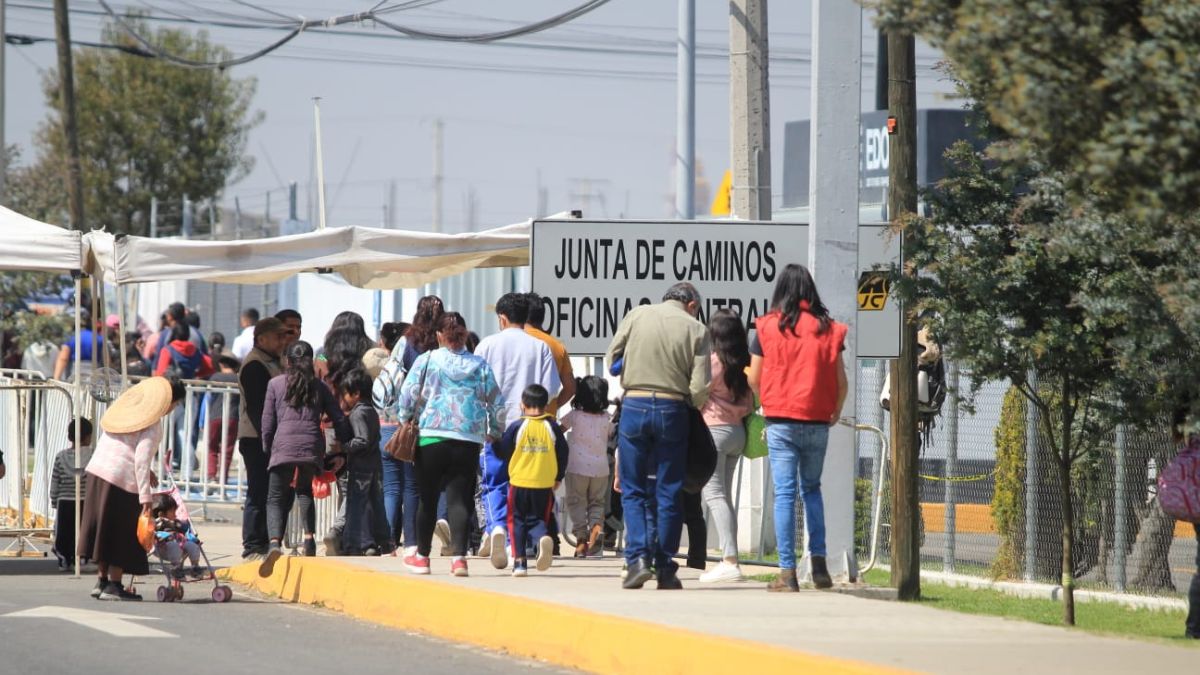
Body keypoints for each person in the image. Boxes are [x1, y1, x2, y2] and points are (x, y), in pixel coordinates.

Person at [747, 264, 848, 592]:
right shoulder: (828, 329)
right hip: (818, 420)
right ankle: (819, 564)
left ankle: (788, 572)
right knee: (812, 489)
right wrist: (834, 411)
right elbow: (841, 382)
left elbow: (753, 378)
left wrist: (765, 403)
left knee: (785, 494)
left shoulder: (767, 327)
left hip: (780, 421)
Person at [606, 282, 711, 590]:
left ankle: (637, 559)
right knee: (669, 490)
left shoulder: (637, 315)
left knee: (633, 488)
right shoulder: (697, 330)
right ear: (692, 305)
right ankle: (665, 566)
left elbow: (612, 357)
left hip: (635, 405)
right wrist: (687, 405)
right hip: (672, 409)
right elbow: (701, 386)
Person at [396, 312, 502, 577]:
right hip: (467, 439)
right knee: (459, 500)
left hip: (431, 436)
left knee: (428, 499)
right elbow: (497, 403)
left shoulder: (427, 360)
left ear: (439, 336)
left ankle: (421, 556)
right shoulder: (480, 365)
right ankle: (459, 559)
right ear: (465, 335)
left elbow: (407, 395)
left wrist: (404, 418)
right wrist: (495, 430)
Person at [79, 376, 187, 601]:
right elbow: (139, 459)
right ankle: (115, 585)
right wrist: (146, 498)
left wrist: (147, 473)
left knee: (103, 530)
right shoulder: (153, 425)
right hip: (121, 481)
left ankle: (102, 581)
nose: (172, 409)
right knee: (122, 532)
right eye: (174, 404)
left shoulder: (125, 413)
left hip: (98, 473)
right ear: (167, 403)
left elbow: (123, 447)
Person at [475, 292, 561, 569]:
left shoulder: (487, 345)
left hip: (496, 426)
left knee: (494, 484)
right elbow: (549, 391)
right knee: (520, 487)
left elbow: (476, 389)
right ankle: (516, 547)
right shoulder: (541, 347)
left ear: (502, 318)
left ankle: (497, 527)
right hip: (529, 426)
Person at [259, 341, 354, 576]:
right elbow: (338, 417)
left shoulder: (275, 384)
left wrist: (267, 448)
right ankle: (309, 540)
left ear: (287, 361)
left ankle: (273, 543)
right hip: (311, 447)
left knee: (274, 498)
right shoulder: (319, 387)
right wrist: (346, 445)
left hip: (283, 445)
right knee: (304, 491)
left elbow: (267, 422)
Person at [697, 310, 755, 583]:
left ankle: (730, 560)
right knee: (726, 497)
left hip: (715, 431)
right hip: (738, 433)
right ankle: (730, 559)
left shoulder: (713, 363)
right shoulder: (746, 363)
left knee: (715, 496)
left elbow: (697, 392)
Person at [494, 385, 569, 577]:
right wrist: (558, 477)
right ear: (546, 405)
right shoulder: (552, 427)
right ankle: (542, 538)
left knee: (516, 520)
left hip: (519, 482)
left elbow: (503, 452)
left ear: (522, 405)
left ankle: (519, 562)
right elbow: (563, 453)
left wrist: (493, 441)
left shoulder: (517, 427)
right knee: (538, 518)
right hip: (545, 483)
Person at [236, 317, 290, 560]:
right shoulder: (255, 365)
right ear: (261, 339)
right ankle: (253, 544)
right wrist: (270, 439)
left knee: (274, 491)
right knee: (258, 491)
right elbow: (259, 409)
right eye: (277, 336)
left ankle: (269, 542)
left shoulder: (275, 361)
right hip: (257, 438)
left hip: (272, 437)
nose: (282, 341)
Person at [560, 375, 612, 558]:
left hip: (577, 468)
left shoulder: (574, 416)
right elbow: (613, 435)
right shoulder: (607, 418)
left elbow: (558, 431)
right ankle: (596, 528)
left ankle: (581, 540)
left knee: (576, 503)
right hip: (600, 469)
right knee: (597, 503)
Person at [339, 368, 390, 555]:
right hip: (374, 465)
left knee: (357, 506)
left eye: (346, 393)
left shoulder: (358, 413)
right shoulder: (372, 411)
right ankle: (382, 541)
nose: (344, 397)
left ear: (356, 393)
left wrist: (343, 447)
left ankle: (358, 544)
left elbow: (362, 439)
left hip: (361, 467)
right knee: (374, 504)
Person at [50, 418, 93, 571]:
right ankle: (82, 559)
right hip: (85, 500)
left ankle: (63, 558)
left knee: (63, 531)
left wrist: (54, 499)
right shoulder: (93, 456)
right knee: (83, 531)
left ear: (69, 436)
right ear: (88, 437)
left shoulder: (60, 457)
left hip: (64, 500)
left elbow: (55, 481)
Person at [524, 292, 576, 414]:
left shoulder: (515, 341)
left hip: (518, 420)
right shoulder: (558, 346)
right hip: (546, 420)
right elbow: (570, 388)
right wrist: (552, 406)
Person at [206, 356, 241, 485]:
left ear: (222, 364)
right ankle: (223, 477)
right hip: (232, 417)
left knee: (212, 447)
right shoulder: (238, 378)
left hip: (215, 415)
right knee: (228, 449)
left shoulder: (215, 377)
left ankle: (211, 476)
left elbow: (209, 397)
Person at [152, 493, 204, 579]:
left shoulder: (176, 522)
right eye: (173, 512)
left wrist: (183, 524)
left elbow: (183, 528)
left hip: (180, 544)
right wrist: (164, 522)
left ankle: (195, 567)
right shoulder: (157, 523)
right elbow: (153, 530)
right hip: (162, 547)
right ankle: (175, 569)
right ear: (161, 514)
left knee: (193, 546)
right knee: (175, 546)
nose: (175, 514)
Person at [53, 308, 103, 381]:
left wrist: (56, 378)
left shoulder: (71, 337)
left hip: (75, 376)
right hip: (94, 377)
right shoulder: (98, 338)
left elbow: (63, 358)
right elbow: (106, 360)